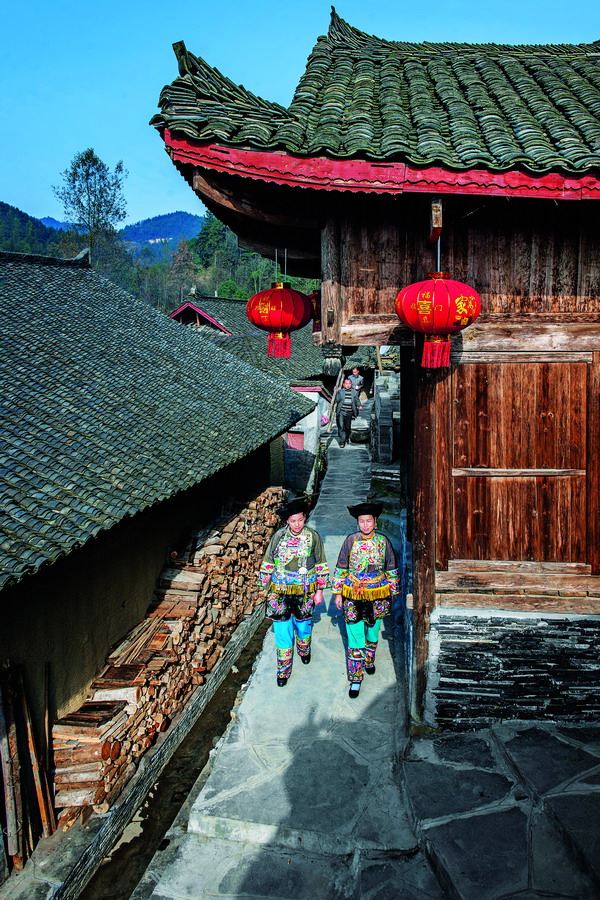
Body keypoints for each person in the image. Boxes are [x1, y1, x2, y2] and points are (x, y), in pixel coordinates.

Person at [331, 502, 399, 698]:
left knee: (373, 630)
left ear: (375, 521)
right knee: (355, 634)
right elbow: (341, 566)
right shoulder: (350, 541)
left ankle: (369, 659)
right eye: (362, 521)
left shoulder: (383, 542)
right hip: (353, 592)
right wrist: (337, 593)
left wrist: (393, 592)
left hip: (378, 592)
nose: (365, 525)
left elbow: (391, 566)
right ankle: (355, 677)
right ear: (357, 523)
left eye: (369, 521)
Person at [259, 498, 328, 686]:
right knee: (282, 630)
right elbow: (268, 561)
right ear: (287, 521)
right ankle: (283, 670)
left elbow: (321, 563)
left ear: (305, 518)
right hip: (279, 590)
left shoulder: (313, 537)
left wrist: (320, 591)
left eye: (300, 520)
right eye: (292, 521)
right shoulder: (279, 536)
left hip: (305, 590)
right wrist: (265, 587)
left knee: (303, 625)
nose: (297, 524)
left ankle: (304, 650)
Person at [335, 377, 359, 448]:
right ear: (343, 384)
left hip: (350, 412)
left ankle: (347, 437)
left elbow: (357, 400)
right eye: (346, 384)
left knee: (347, 427)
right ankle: (342, 441)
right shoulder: (340, 391)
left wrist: (360, 405)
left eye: (349, 384)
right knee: (341, 426)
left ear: (351, 384)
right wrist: (336, 392)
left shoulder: (354, 392)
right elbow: (337, 400)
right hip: (341, 411)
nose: (348, 385)